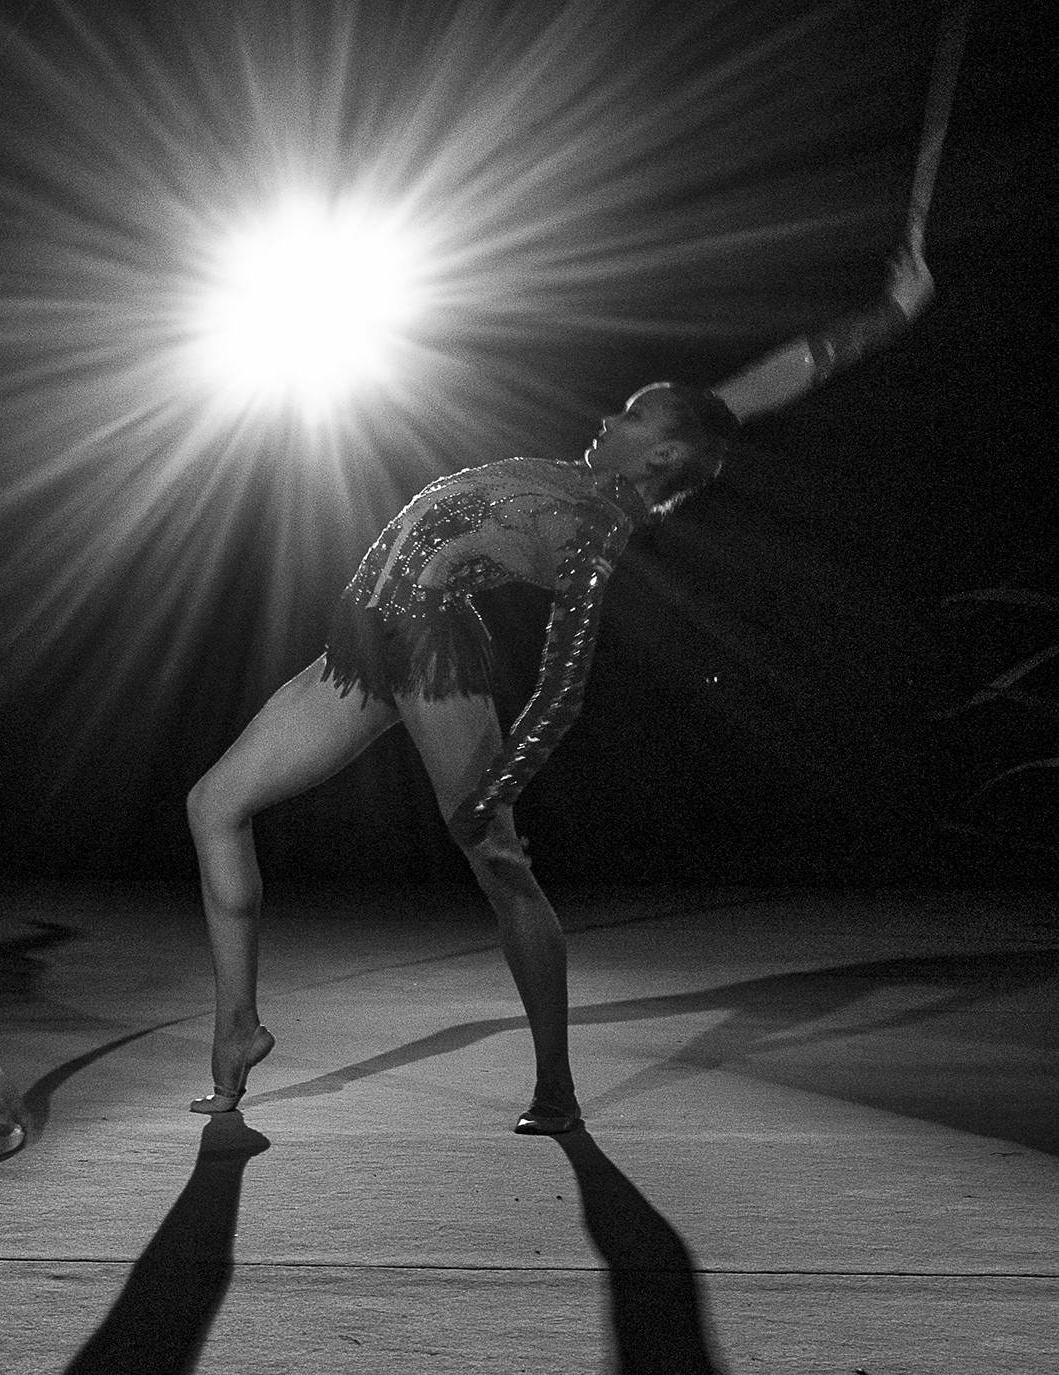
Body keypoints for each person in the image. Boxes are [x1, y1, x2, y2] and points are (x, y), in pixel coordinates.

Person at [185, 220, 934, 1132]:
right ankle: (238, 1028)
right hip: (363, 644)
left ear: (661, 459)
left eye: (632, 418)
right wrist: (889, 313)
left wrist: (495, 788)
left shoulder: (596, 531)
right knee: (213, 805)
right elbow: (749, 394)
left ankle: (556, 1089)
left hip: (429, 659)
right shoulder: (610, 472)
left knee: (500, 864)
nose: (610, 420)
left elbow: (564, 683)